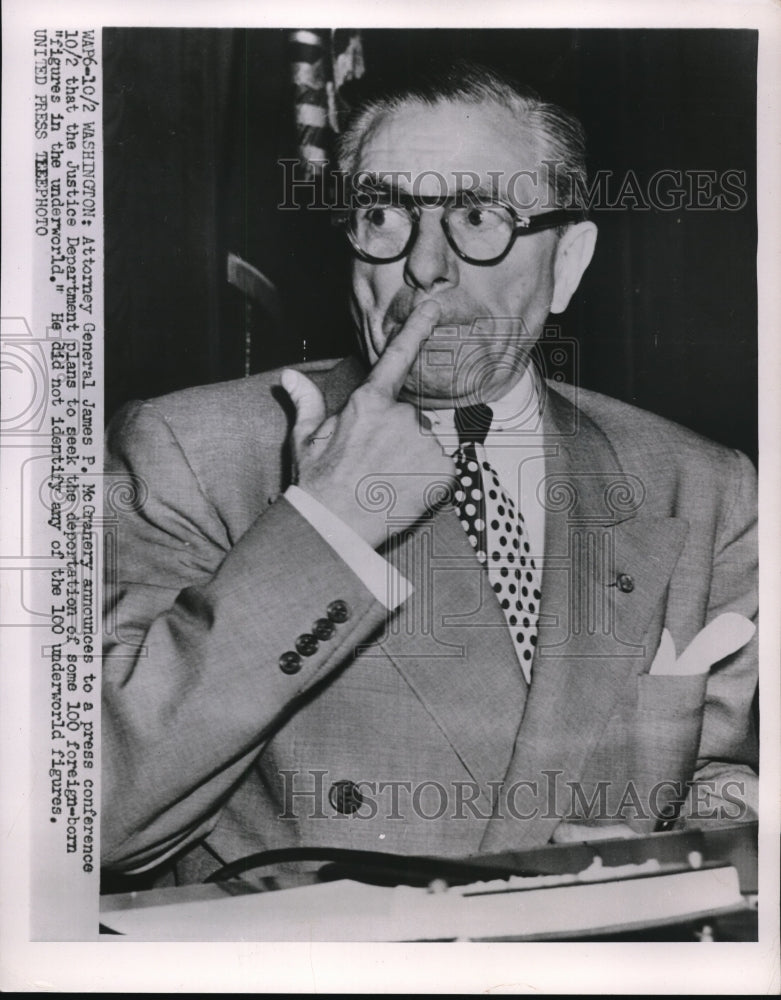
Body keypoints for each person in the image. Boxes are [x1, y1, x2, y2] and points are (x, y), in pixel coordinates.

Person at [102, 63, 758, 886]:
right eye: (383, 215)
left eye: (478, 217)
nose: (424, 267)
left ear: (568, 263)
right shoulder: (189, 452)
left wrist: (696, 830)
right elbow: (94, 821)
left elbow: (722, 775)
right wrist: (329, 526)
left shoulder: (705, 487)